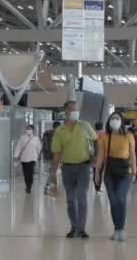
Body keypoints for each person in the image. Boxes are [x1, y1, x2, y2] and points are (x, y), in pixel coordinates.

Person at [51, 101, 98, 239]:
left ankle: (81, 229)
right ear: (65, 111)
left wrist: (95, 156)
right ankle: (74, 226)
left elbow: (95, 139)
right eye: (72, 109)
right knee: (71, 199)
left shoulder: (84, 126)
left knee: (81, 197)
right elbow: (57, 153)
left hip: (83, 166)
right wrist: (53, 173)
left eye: (76, 109)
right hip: (67, 168)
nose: (75, 112)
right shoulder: (59, 131)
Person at [95, 112, 136, 242]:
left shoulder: (129, 136)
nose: (115, 120)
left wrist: (134, 171)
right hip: (109, 172)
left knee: (120, 198)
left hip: (125, 173)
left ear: (122, 121)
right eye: (113, 118)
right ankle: (117, 229)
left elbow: (132, 154)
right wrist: (97, 172)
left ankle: (121, 229)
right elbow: (101, 156)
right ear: (109, 122)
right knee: (113, 201)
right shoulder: (105, 137)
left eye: (117, 118)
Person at [13, 125, 42, 194]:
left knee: (31, 172)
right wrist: (16, 156)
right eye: (27, 129)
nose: (28, 130)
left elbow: (39, 148)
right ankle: (27, 185)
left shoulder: (36, 138)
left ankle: (29, 186)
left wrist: (38, 155)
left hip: (32, 158)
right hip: (24, 158)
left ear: (33, 130)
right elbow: (18, 147)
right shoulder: (22, 138)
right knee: (26, 173)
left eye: (30, 129)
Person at [42, 121, 61, 194]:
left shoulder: (47, 133)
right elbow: (46, 145)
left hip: (51, 156)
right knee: (52, 172)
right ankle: (48, 186)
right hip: (52, 156)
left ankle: (50, 187)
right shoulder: (51, 134)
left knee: (52, 172)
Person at [93, 121, 105, 193]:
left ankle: (96, 188)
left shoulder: (93, 134)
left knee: (95, 172)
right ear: (102, 126)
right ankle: (98, 188)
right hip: (102, 157)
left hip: (95, 156)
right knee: (100, 172)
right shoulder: (105, 134)